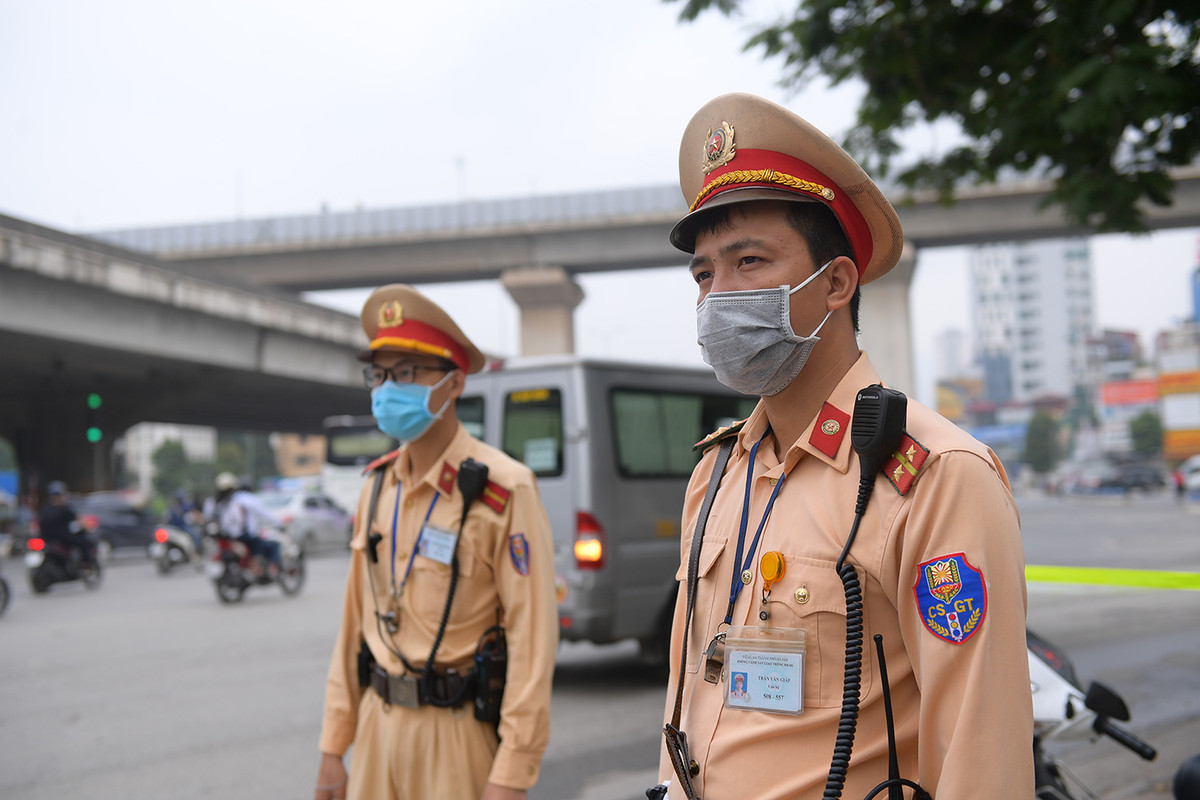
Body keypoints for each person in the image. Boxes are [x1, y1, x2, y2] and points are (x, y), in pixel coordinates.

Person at [655, 94, 1033, 800]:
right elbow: (686, 698)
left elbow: (983, 755)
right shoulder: (718, 472)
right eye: (704, 274)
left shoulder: (933, 476)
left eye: (749, 261)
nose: (717, 297)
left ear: (835, 282)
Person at [314, 284, 558, 800]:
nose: (386, 389)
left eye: (405, 374)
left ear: (453, 384)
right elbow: (353, 628)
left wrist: (512, 774)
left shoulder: (501, 487)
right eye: (378, 374)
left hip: (456, 734)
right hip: (377, 728)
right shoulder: (376, 485)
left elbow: (532, 640)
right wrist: (334, 747)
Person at [205, 473, 283, 575]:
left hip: (222, 537)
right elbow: (242, 520)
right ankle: (267, 569)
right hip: (240, 536)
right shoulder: (239, 500)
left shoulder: (212, 502)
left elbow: (207, 518)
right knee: (272, 545)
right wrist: (279, 523)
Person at [37, 480, 96, 567]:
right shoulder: (64, 509)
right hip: (62, 539)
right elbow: (80, 520)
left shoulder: (44, 508)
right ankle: (86, 564)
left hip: (46, 540)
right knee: (83, 542)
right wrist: (88, 528)